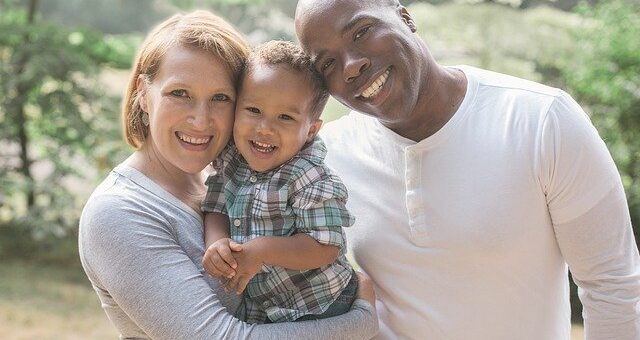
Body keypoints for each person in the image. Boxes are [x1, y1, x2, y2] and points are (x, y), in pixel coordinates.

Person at [294, 0, 640, 339]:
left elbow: (612, 284)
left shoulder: (542, 121)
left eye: (361, 31)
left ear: (405, 18)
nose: (351, 66)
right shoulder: (326, 160)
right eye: (327, 63)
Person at [78, 10, 378, 339]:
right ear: (143, 94)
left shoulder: (236, 178)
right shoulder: (119, 213)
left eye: (221, 98)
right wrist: (361, 321)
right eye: (179, 93)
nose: (200, 120)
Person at [201, 40, 357, 324]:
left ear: (310, 130)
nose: (265, 128)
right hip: (268, 308)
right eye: (253, 110)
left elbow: (326, 246)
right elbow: (216, 206)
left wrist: (261, 250)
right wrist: (217, 242)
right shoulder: (232, 160)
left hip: (321, 303)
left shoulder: (309, 176)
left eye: (285, 117)